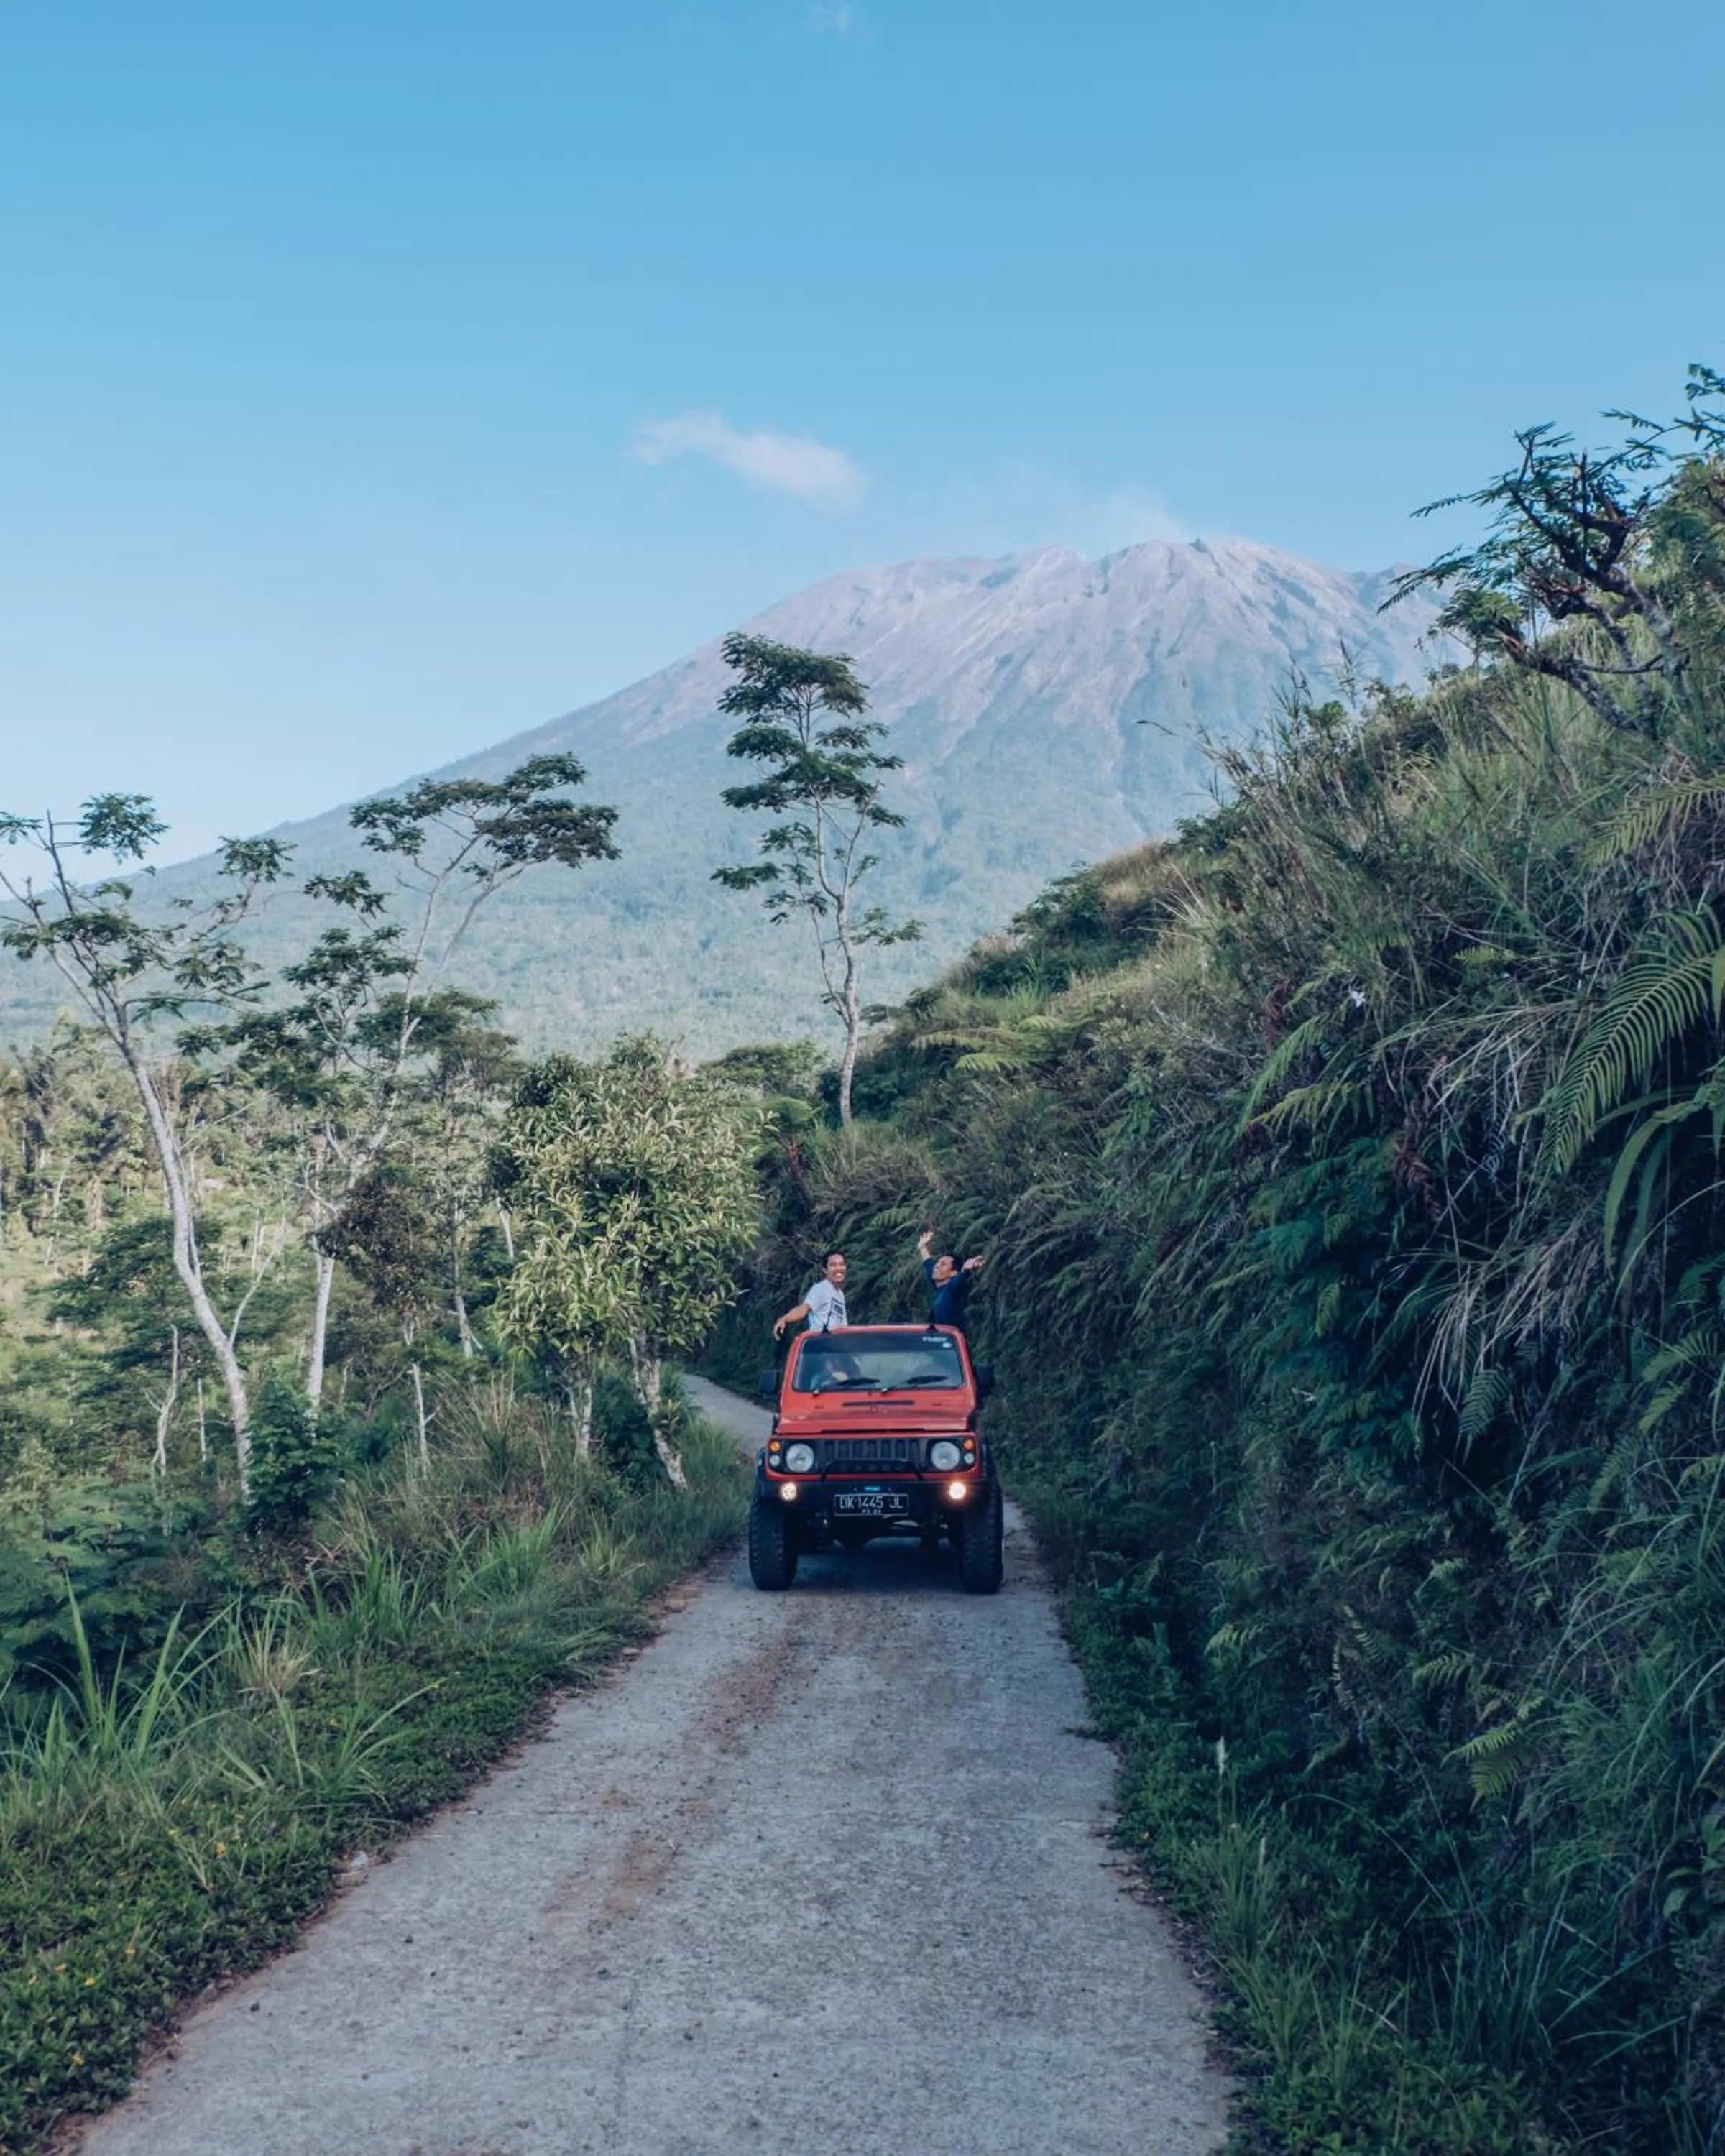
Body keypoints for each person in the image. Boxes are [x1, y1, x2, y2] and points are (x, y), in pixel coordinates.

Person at [773, 1250, 849, 1340]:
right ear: (825, 1270)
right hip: (821, 1344)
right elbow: (804, 1309)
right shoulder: (822, 1288)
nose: (839, 1268)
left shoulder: (840, 1294)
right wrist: (785, 1319)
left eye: (842, 1264)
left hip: (836, 1344)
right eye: (833, 1265)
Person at [918, 1227, 983, 1330]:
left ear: (953, 1273)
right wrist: (922, 1247)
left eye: (943, 1265)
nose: (937, 1266)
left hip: (952, 1342)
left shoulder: (951, 1290)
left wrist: (965, 1270)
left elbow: (959, 1280)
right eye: (938, 1263)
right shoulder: (938, 1282)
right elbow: (929, 1264)